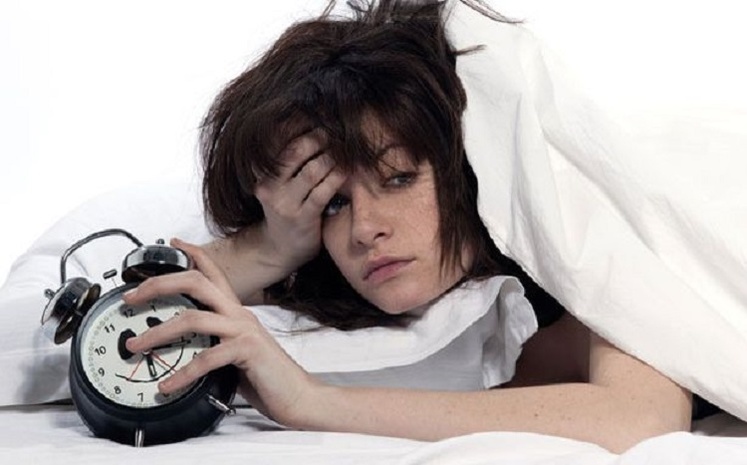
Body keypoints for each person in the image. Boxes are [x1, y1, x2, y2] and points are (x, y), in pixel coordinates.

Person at [123, 0, 692, 453]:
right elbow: (110, 326)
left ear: (469, 170)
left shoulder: (582, 233)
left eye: (397, 178)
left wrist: (310, 400)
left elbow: (640, 417)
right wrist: (274, 249)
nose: (365, 229)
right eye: (333, 203)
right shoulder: (327, 281)